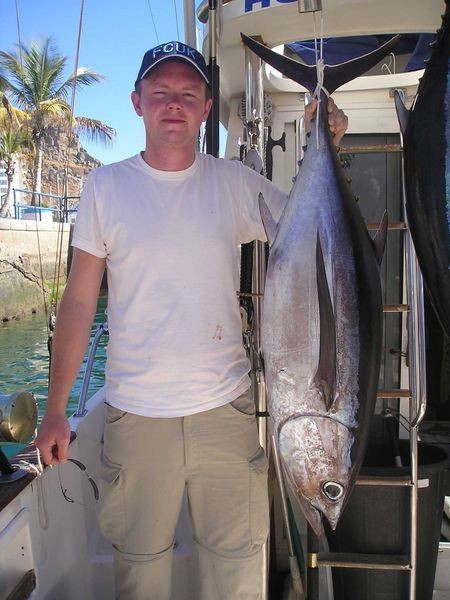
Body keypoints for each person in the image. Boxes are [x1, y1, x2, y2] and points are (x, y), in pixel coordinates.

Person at [35, 40, 348, 599]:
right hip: (136, 418)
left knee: (236, 575)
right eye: (160, 92)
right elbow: (79, 302)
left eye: (187, 93)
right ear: (137, 102)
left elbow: (312, 234)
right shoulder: (105, 188)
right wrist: (56, 408)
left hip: (224, 413)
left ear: (206, 107)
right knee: (140, 576)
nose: (173, 104)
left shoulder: (235, 182)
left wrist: (330, 144)